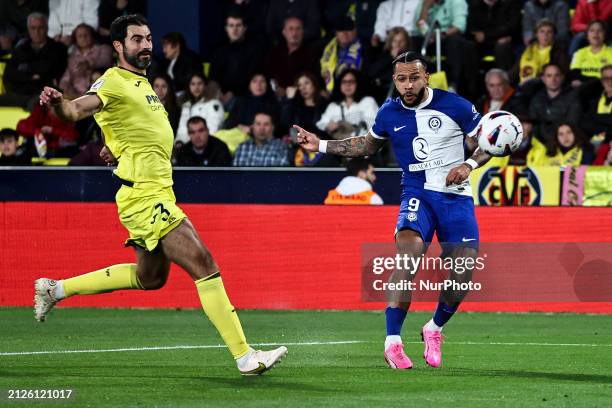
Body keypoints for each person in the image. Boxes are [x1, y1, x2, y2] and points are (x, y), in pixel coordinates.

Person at [35, 14, 287, 376]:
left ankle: (54, 289)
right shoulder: (113, 80)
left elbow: (128, 127)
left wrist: (114, 145)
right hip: (144, 198)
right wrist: (60, 103)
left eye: (149, 38)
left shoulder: (142, 83)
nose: (147, 45)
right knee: (204, 263)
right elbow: (78, 109)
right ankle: (245, 356)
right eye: (137, 39)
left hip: (155, 193)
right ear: (119, 46)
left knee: (150, 278)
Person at [294, 51, 491, 369]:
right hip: (418, 195)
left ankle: (434, 328)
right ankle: (393, 342)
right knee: (408, 254)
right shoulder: (388, 113)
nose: (408, 84)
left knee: (463, 271)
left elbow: (489, 143)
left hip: (456, 198)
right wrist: (320, 144)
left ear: (426, 77)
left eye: (414, 77)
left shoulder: (455, 105)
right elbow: (366, 146)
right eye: (402, 79)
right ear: (394, 81)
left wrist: (468, 165)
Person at [0, 12, 67, 109]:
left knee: (37, 104)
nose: (37, 32)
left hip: (41, 95)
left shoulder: (58, 48)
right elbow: (9, 75)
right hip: (18, 93)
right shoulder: (20, 49)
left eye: (41, 28)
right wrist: (32, 76)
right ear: (28, 29)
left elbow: (49, 72)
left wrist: (23, 70)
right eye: (33, 28)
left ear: (47, 28)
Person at [210, 12, 265, 106]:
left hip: (242, 96)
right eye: (231, 26)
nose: (234, 30)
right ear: (226, 29)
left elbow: (251, 77)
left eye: (238, 25)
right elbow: (213, 76)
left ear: (244, 28)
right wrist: (217, 92)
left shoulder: (254, 49)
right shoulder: (219, 50)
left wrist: (232, 93)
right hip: (219, 95)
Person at [262, 16, 319, 97]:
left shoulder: (311, 53)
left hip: (300, 97)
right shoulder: (275, 52)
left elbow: (312, 79)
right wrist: (276, 89)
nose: (294, 33)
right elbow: (267, 74)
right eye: (291, 29)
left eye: (298, 29)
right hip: (275, 96)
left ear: (302, 32)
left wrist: (291, 90)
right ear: (284, 32)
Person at [316, 69, 378, 140]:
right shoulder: (333, 106)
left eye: (351, 81)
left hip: (362, 146)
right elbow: (320, 123)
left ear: (358, 83)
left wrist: (354, 135)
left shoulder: (368, 101)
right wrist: (328, 125)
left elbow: (374, 128)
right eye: (344, 82)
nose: (347, 84)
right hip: (338, 148)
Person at [528, 63, 581, 144]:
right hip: (540, 143)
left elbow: (572, 124)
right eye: (549, 76)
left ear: (562, 77)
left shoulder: (573, 97)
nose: (553, 79)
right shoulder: (536, 99)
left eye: (557, 75)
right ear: (543, 78)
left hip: (564, 142)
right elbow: (533, 124)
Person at [59, 24, 113, 100]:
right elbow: (64, 80)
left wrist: (89, 64)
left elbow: (106, 61)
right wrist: (67, 88)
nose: (83, 38)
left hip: (97, 92)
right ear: (75, 39)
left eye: (86, 35)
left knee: (97, 76)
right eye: (80, 36)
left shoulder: (104, 49)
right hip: (75, 95)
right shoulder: (72, 57)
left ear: (92, 35)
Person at [467, 0, 521, 71]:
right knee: (469, 46)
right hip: (481, 43)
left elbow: (512, 27)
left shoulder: (510, 4)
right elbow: (472, 28)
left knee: (502, 46)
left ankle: (505, 80)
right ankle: (471, 81)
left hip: (501, 41)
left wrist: (486, 35)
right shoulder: (475, 5)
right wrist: (479, 35)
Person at [365, 26, 412, 104]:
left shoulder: (411, 57)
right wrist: (391, 57)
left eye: (401, 41)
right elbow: (371, 72)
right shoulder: (383, 55)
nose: (398, 44)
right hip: (381, 92)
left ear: (406, 42)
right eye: (395, 41)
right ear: (390, 42)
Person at [175, 73, 225, 146]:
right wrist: (179, 142)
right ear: (189, 86)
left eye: (200, 83)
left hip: (209, 146)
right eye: (193, 84)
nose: (196, 87)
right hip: (188, 148)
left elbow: (212, 131)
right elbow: (182, 130)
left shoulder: (214, 104)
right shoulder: (186, 106)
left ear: (205, 85)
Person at [320, 17, 365, 93]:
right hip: (331, 93)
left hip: (358, 93)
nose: (345, 33)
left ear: (355, 31)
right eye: (341, 30)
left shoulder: (365, 48)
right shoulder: (326, 48)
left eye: (348, 29)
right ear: (336, 33)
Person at [518, 19, 569, 85]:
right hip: (524, 84)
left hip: (545, 85)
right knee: (506, 91)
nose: (545, 35)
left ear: (554, 35)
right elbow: (515, 71)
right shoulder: (528, 50)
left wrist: (533, 80)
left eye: (549, 32)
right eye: (542, 32)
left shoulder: (559, 51)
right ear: (536, 34)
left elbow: (559, 73)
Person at [569, 20, 611, 87]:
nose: (595, 33)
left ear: (605, 34)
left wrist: (587, 81)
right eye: (592, 30)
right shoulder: (579, 53)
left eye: (599, 31)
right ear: (587, 35)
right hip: (583, 88)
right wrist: (595, 79)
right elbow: (574, 74)